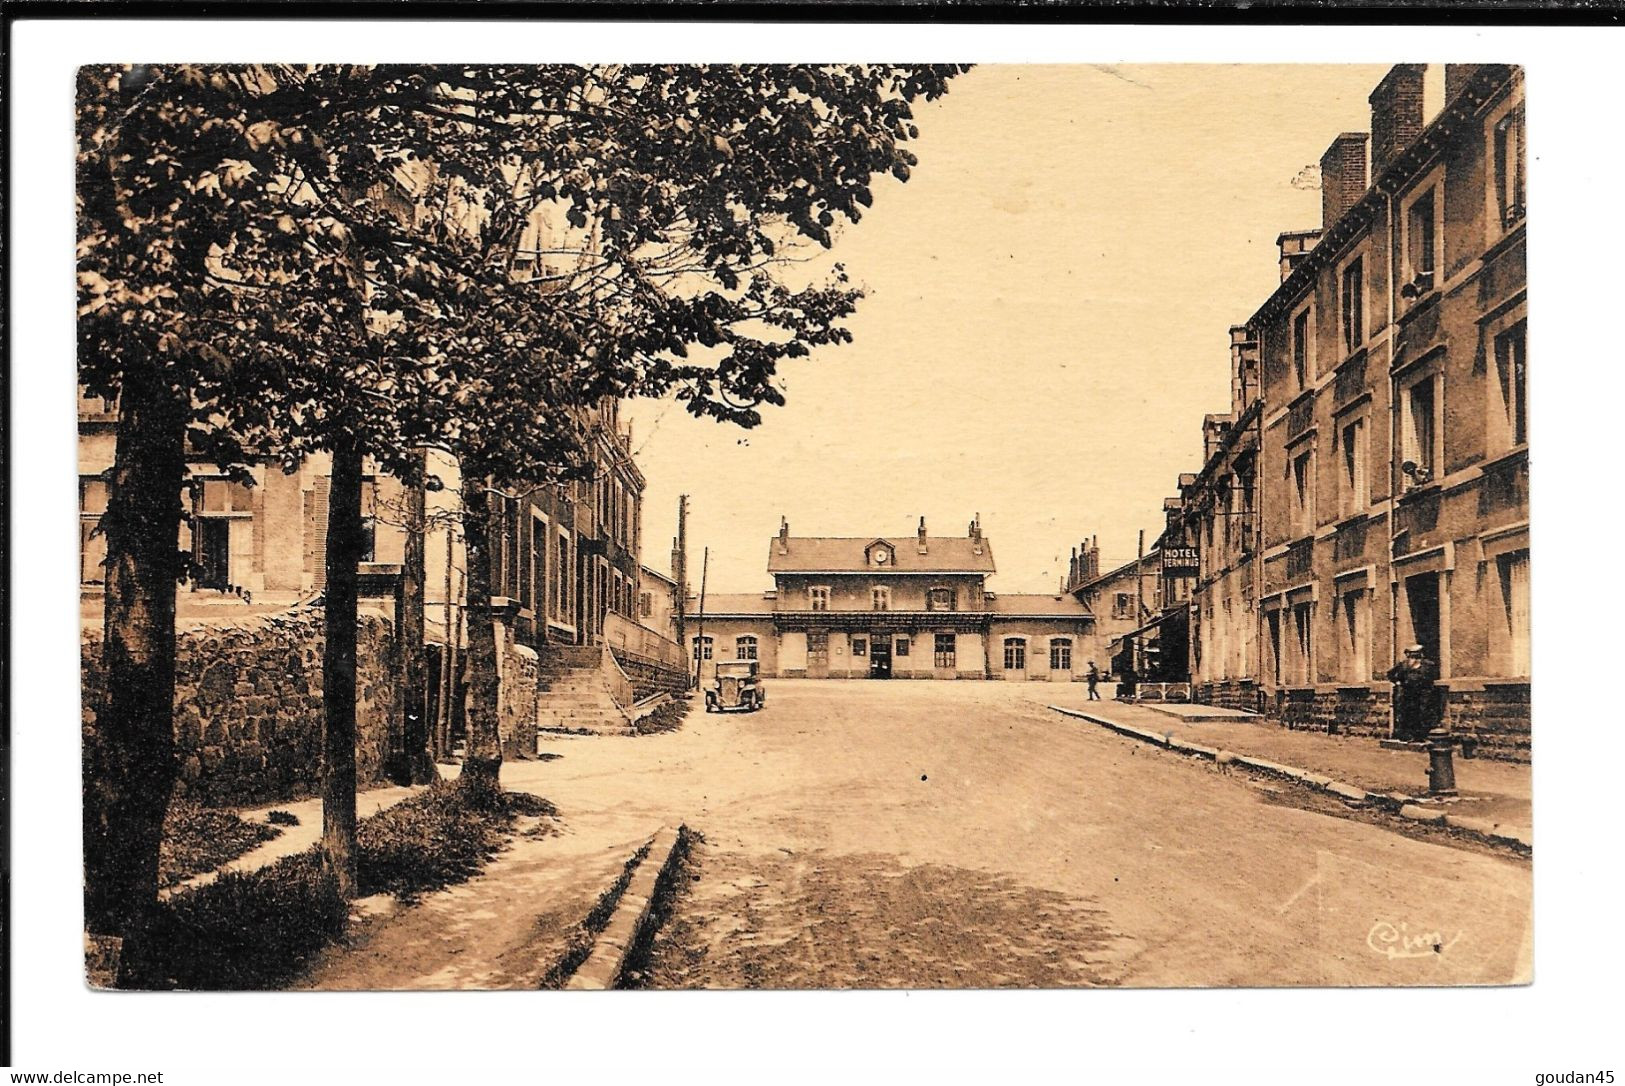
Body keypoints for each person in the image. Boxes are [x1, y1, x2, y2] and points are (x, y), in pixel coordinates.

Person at [1386, 644, 1439, 742]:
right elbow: (1390, 674)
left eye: (1416, 655)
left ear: (1421, 654)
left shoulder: (1428, 665)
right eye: (1411, 655)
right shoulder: (1404, 664)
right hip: (1408, 693)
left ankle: (1421, 736)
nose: (1413, 657)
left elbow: (1432, 677)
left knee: (1422, 713)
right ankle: (1409, 735)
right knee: (1408, 714)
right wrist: (1397, 682)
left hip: (1423, 693)